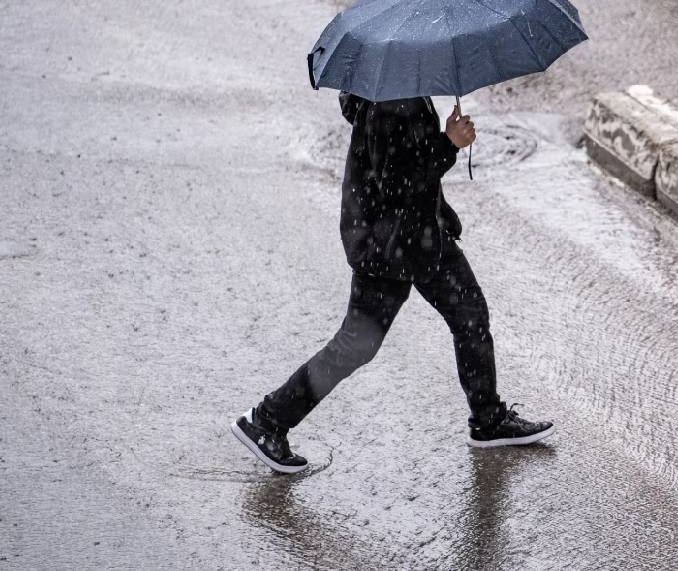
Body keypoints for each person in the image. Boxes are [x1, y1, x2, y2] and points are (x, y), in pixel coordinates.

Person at [231, 93, 554, 473]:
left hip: (420, 236)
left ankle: (488, 419)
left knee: (470, 314)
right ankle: (267, 420)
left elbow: (406, 170)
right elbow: (399, 185)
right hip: (387, 245)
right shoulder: (390, 102)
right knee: (356, 345)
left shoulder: (402, 92)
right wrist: (448, 143)